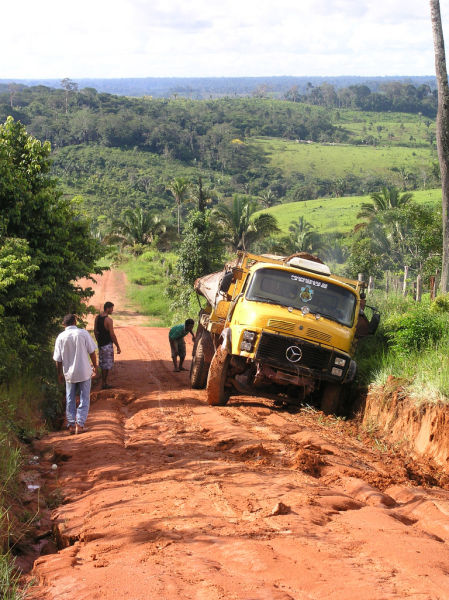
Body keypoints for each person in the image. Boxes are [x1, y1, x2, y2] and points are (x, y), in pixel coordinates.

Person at [53, 314, 98, 435]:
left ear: (64, 324)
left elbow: (58, 359)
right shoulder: (83, 333)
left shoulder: (61, 337)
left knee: (70, 398)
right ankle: (80, 424)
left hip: (69, 374)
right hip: (84, 371)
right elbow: (92, 352)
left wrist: (59, 374)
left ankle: (71, 425)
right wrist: (95, 366)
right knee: (84, 398)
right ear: (75, 322)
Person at [94, 301, 121, 389]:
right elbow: (112, 335)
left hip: (101, 344)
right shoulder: (108, 320)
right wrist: (117, 346)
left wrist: (98, 341)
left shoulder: (97, 318)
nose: (112, 310)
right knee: (107, 365)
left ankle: (103, 382)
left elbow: (95, 331)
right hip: (107, 345)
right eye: (112, 308)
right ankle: (104, 383)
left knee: (102, 364)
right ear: (108, 308)